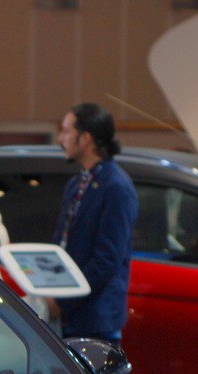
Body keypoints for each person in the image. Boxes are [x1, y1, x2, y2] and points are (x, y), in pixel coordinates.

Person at [49, 102, 137, 342]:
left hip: (96, 320)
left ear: (86, 138)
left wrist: (63, 300)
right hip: (70, 316)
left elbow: (106, 259)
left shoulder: (116, 186)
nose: (61, 139)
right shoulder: (76, 184)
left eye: (66, 131)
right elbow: (62, 244)